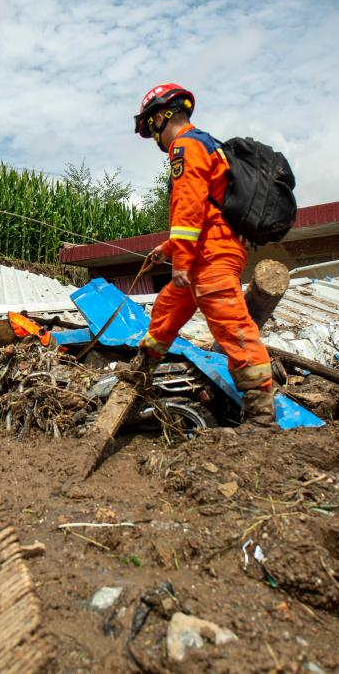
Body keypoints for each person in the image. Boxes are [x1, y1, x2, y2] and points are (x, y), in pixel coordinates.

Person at [130, 83, 275, 427]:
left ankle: (261, 416)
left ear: (161, 117)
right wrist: (168, 249)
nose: (154, 137)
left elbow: (190, 205)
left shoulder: (186, 145)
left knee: (232, 328)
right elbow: (207, 212)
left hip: (211, 256)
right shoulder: (207, 145)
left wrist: (179, 260)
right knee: (165, 311)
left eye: (151, 127)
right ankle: (140, 374)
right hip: (203, 251)